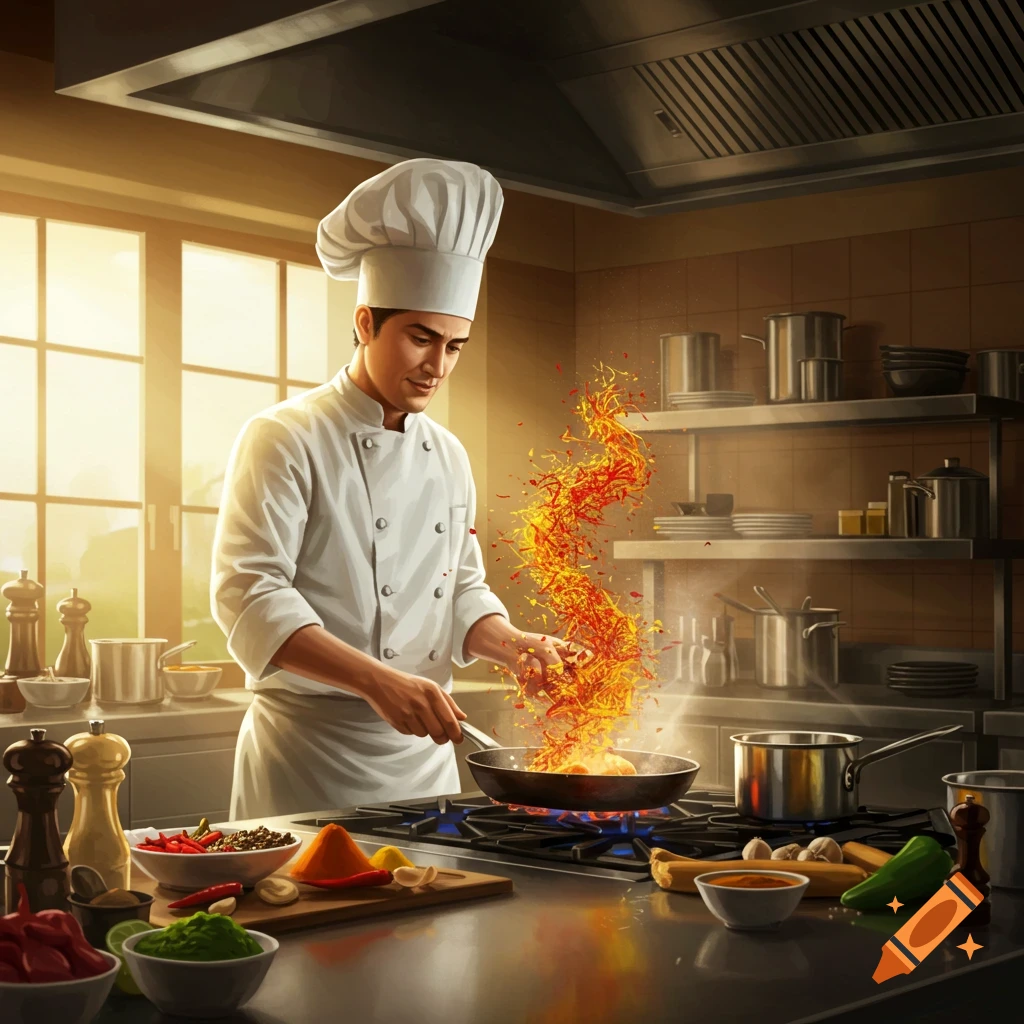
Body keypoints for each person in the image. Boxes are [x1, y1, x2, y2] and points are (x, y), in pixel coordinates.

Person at [212, 158, 570, 819]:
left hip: (426, 761)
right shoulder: (284, 436)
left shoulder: (448, 454)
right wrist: (378, 682)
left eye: (456, 345)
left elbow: (459, 590)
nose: (438, 367)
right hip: (307, 759)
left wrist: (516, 646)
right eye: (421, 338)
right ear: (365, 321)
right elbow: (249, 599)